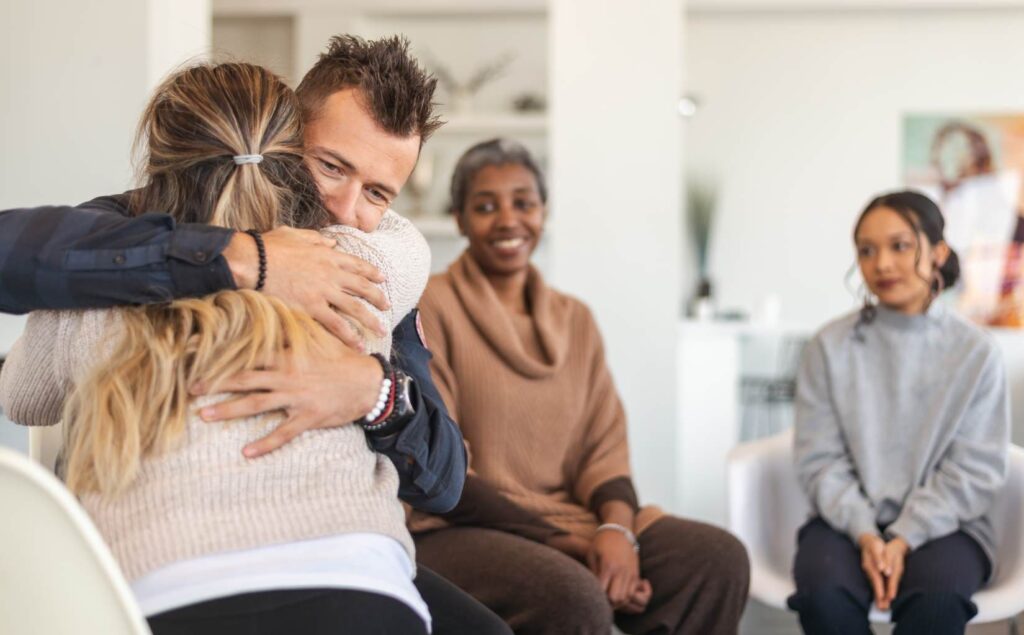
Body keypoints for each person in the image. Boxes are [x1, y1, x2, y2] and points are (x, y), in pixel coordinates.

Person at [0, 36, 510, 635]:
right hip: (177, 546)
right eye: (332, 167)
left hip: (323, 551)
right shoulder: (128, 224)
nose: (347, 210)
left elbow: (444, 479)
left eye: (378, 194)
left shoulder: (367, 269)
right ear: (286, 137)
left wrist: (374, 392)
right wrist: (244, 258)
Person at [408, 138, 751, 635]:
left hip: (574, 519)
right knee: (572, 593)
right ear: (459, 220)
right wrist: (575, 546)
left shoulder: (575, 319)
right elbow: (438, 466)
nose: (508, 220)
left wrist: (616, 532)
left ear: (543, 212)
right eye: (485, 206)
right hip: (459, 526)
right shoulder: (430, 307)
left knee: (715, 558)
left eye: (523, 203)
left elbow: (604, 448)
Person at [788, 190, 1010, 635]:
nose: (882, 264)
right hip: (845, 523)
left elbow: (976, 467)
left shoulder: (976, 352)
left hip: (948, 526)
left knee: (938, 603)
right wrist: (868, 534)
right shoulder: (829, 347)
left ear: (938, 253)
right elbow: (820, 460)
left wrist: (906, 535)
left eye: (900, 245)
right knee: (823, 598)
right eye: (866, 251)